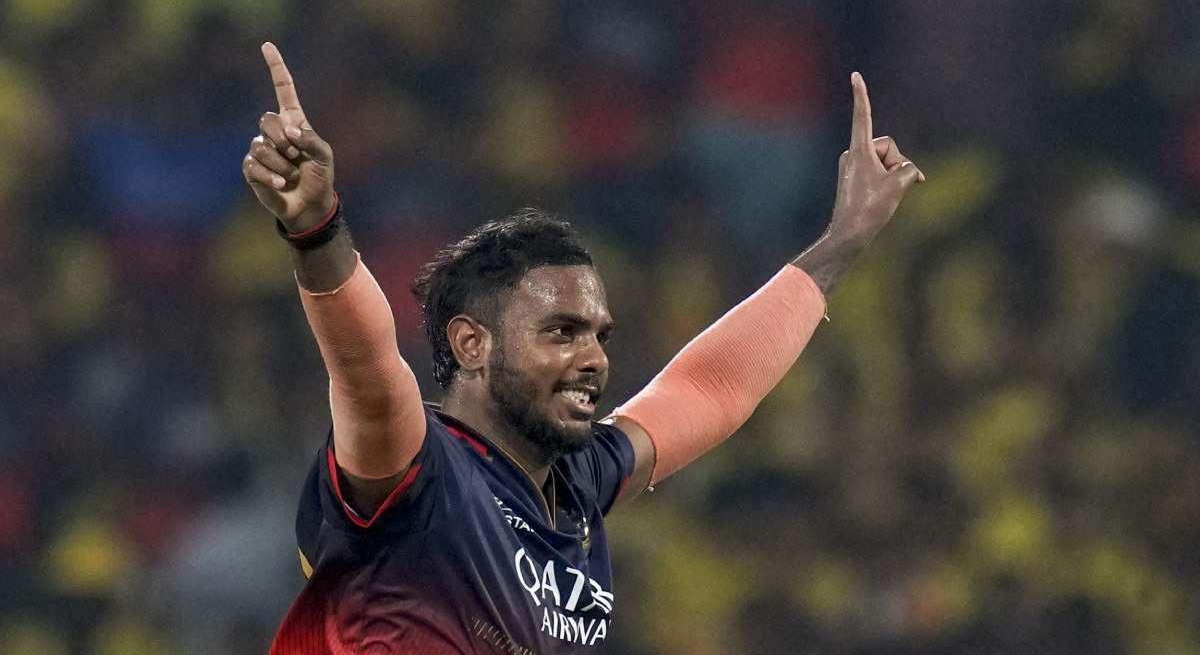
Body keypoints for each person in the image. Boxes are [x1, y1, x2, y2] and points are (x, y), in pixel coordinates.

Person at [243, 42, 923, 654]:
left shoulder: (577, 486)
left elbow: (712, 388)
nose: (594, 358)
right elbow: (364, 366)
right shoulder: (417, 473)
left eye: (600, 335)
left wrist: (844, 238)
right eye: (561, 332)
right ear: (472, 343)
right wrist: (316, 228)